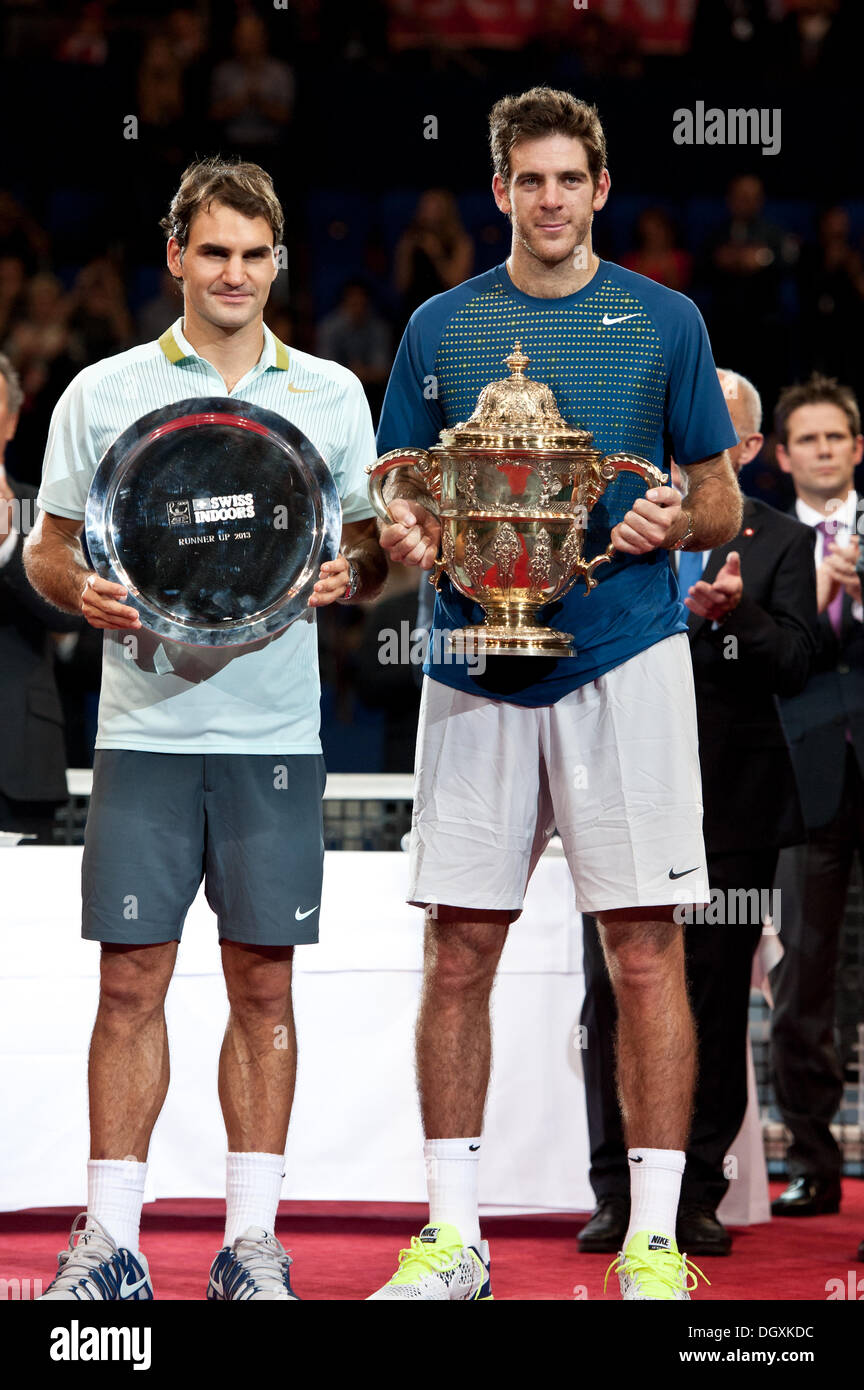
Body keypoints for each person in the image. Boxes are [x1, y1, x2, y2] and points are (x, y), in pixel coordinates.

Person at [371, 86, 742, 1302]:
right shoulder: (436, 328)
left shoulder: (665, 319)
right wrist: (407, 533)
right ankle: (455, 1237)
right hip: (473, 663)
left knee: (645, 949)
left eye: (567, 179)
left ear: (598, 190)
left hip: (625, 659)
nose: (548, 199)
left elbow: (722, 497)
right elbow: (393, 501)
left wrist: (674, 514)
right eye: (526, 179)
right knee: (459, 949)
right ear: (498, 191)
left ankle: (650, 1239)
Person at [23, 157, 386, 1300]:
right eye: (213, 251)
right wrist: (71, 589)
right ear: (176, 256)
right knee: (129, 984)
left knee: (263, 986)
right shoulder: (102, 390)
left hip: (275, 732)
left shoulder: (330, 393)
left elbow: (367, 547)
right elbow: (48, 544)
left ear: (279, 262)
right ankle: (111, 1244)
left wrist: (355, 575)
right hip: (142, 733)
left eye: (255, 254)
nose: (234, 273)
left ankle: (252, 1245)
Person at [578, 369, 817, 1257]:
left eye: (716, 428)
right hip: (615, 790)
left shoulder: (782, 541)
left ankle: (694, 1196)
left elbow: (798, 659)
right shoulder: (616, 517)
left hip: (732, 813)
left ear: (747, 447)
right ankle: (614, 1193)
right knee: (608, 995)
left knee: (714, 1002)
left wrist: (740, 614)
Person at [769, 373, 864, 1217]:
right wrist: (824, 598)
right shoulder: (765, 544)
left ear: (857, 448)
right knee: (802, 975)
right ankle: (812, 1158)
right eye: (809, 439)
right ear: (784, 453)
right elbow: (758, 662)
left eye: (837, 437)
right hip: (803, 780)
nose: (824, 450)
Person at [0, 353, 81, 842]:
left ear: (10, 421)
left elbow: (74, 618)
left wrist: (8, 546)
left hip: (17, 770)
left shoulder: (44, 516)